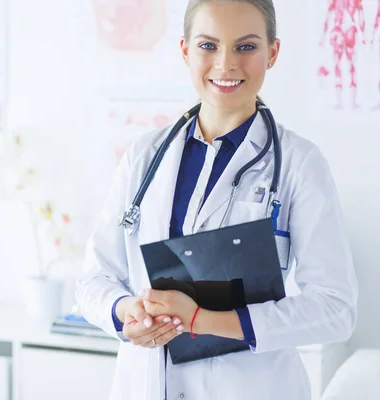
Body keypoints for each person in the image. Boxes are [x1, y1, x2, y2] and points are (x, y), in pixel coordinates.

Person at [75, 1, 358, 399]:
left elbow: (335, 310)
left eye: (246, 47)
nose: (226, 64)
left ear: (272, 52)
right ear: (185, 50)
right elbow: (93, 281)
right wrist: (127, 312)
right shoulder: (144, 156)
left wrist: (203, 320)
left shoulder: (299, 164)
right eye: (208, 45)